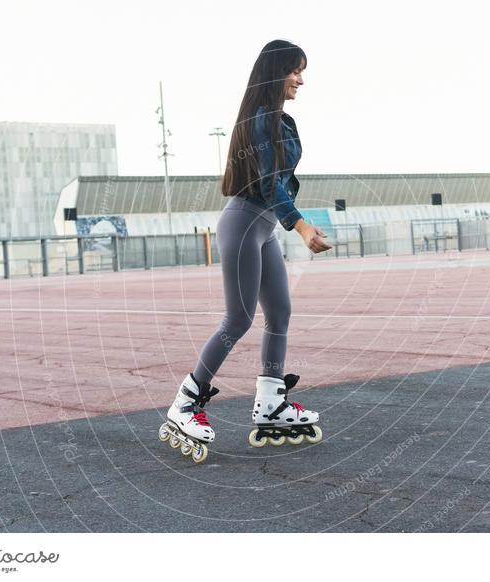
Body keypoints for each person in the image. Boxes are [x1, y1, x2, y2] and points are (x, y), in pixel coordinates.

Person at [159, 39, 331, 461]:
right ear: (277, 72)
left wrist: (288, 222)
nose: (301, 80)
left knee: (281, 313)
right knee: (238, 319)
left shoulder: (282, 122)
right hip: (242, 223)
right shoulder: (259, 120)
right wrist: (302, 224)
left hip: (264, 227)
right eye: (295, 70)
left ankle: (271, 401)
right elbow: (271, 182)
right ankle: (186, 402)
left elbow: (279, 182)